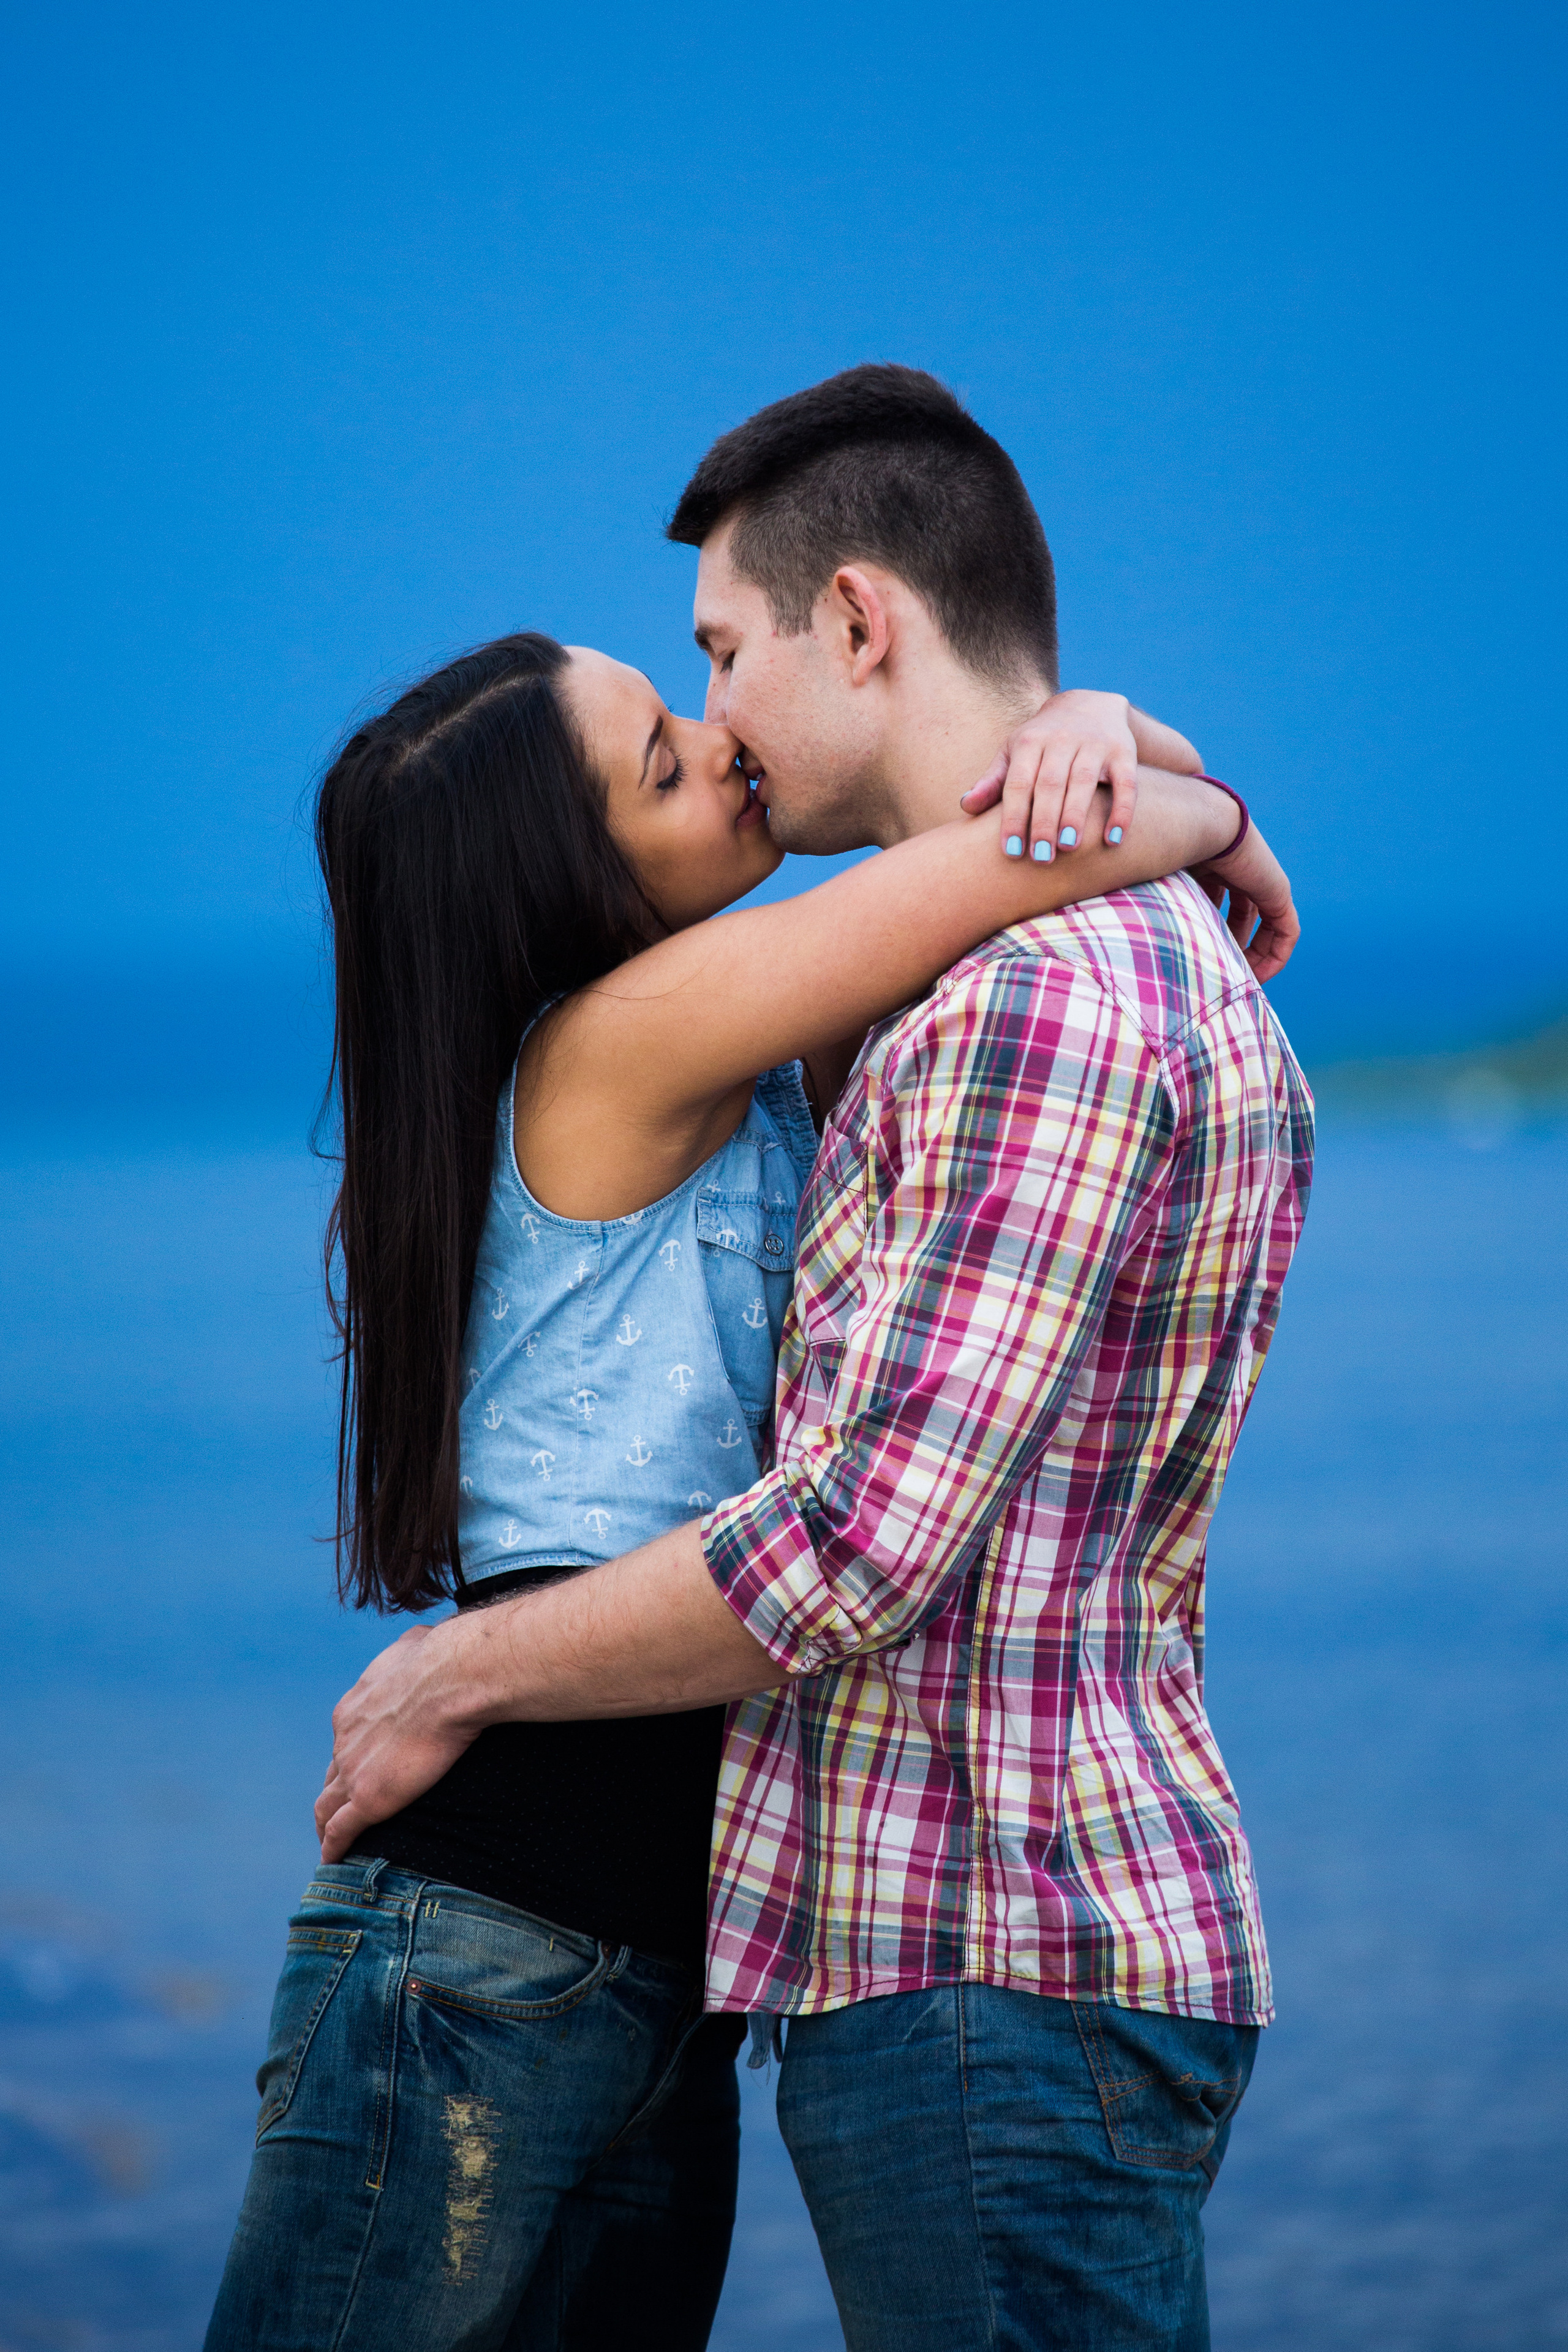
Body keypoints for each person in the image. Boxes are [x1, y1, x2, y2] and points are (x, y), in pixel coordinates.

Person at [317, 364, 1315, 2352]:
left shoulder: (850, 1034)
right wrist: (1175, 796)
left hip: (772, 1947)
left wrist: (1112, 754)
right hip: (544, 1903)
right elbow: (972, 865)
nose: (723, 741)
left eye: (709, 672)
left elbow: (853, 1534)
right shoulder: (647, 1040)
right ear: (572, 874)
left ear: (855, 618)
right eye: (669, 750)